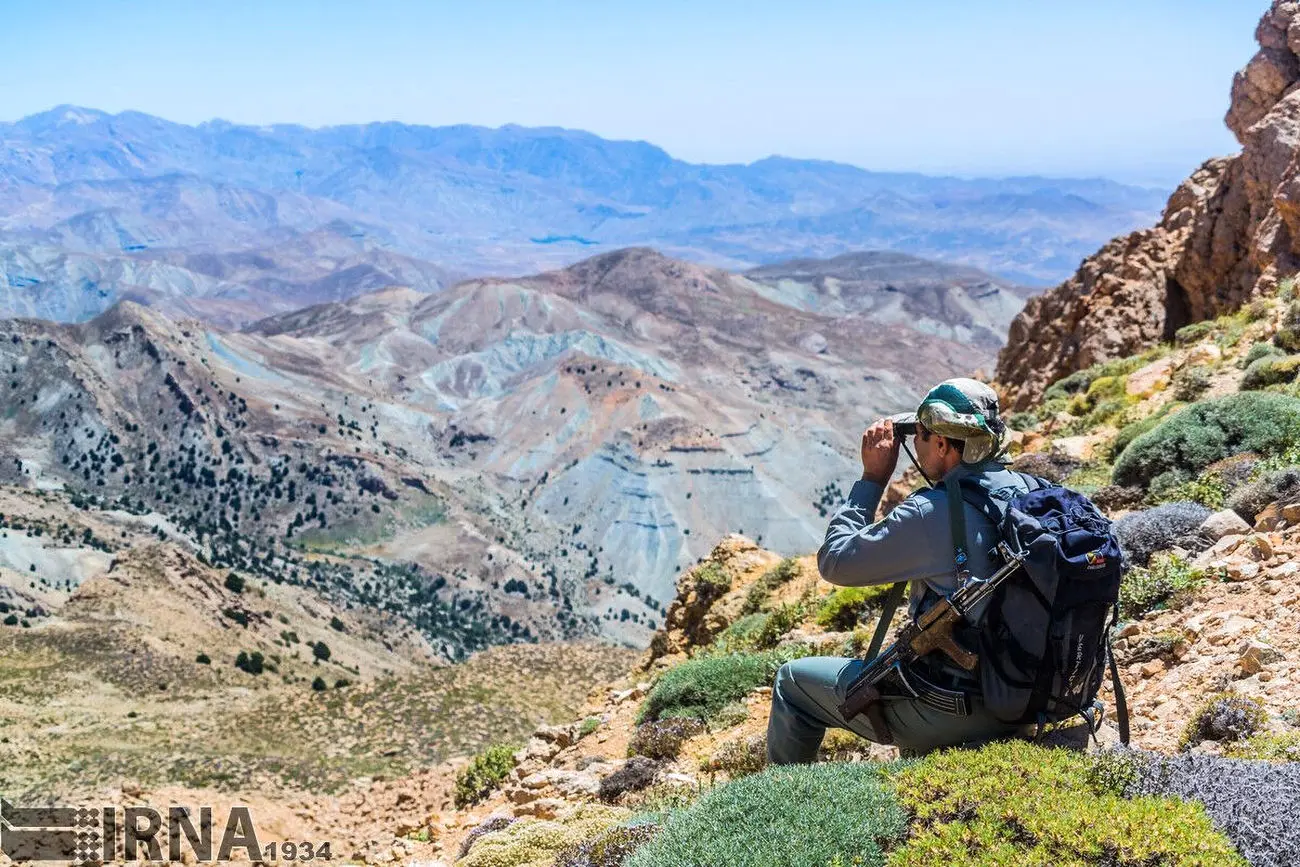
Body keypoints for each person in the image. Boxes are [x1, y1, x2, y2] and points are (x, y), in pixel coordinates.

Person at [766, 377, 1032, 763]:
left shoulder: (933, 511)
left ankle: (777, 811)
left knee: (792, 683)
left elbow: (835, 561)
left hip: (964, 709)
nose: (914, 447)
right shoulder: (1032, 492)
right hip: (1036, 697)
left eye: (918, 434)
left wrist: (872, 479)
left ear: (942, 444)